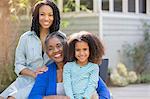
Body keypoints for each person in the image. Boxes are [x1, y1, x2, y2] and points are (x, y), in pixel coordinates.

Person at [0, 0, 61, 99]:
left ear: (55, 17)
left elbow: (63, 62)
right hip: (25, 79)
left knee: (12, 98)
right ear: (36, 16)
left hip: (46, 81)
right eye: (42, 14)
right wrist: (33, 73)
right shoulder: (26, 38)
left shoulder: (60, 38)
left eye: (50, 15)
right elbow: (18, 65)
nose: (46, 18)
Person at [29, 31, 111, 99]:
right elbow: (33, 97)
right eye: (50, 49)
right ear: (47, 53)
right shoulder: (45, 72)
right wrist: (57, 98)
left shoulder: (82, 66)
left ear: (66, 46)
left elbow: (105, 93)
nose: (55, 50)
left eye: (59, 46)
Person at [63, 31, 105, 99]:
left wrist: (85, 97)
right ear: (73, 51)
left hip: (90, 96)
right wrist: (71, 98)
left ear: (90, 50)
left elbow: (92, 84)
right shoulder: (68, 66)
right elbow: (67, 85)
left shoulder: (94, 67)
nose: (81, 53)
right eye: (78, 50)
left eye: (85, 49)